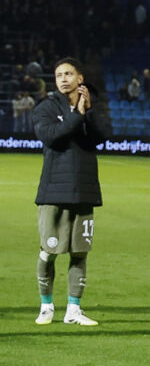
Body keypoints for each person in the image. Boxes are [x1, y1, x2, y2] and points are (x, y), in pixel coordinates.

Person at [31, 57, 112, 327]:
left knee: (79, 253)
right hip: (53, 191)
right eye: (58, 75)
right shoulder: (44, 108)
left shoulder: (89, 108)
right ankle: (46, 306)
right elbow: (53, 137)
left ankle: (73, 310)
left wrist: (88, 111)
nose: (63, 78)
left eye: (68, 73)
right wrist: (77, 113)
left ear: (80, 79)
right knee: (49, 251)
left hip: (84, 190)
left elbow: (104, 136)